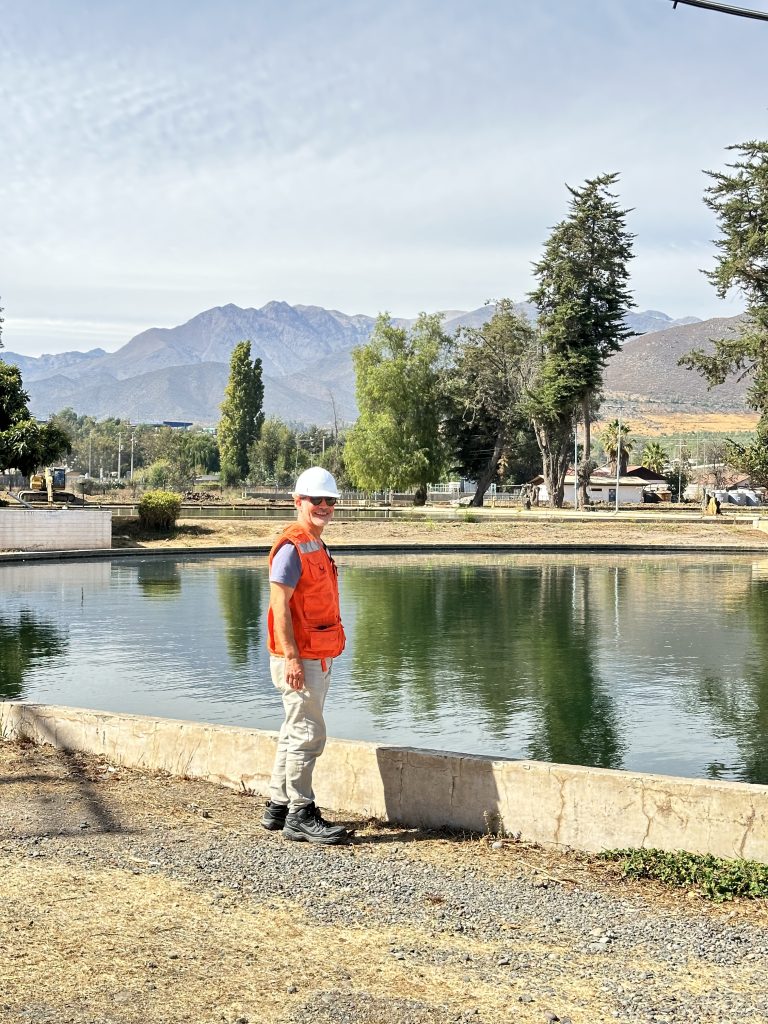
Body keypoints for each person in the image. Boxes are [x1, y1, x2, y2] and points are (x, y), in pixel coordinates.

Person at [260, 466, 350, 844]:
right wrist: (293, 658)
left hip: (316, 654)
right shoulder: (291, 547)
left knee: (293, 730)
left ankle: (278, 807)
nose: (324, 506)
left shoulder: (315, 543)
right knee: (308, 734)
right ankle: (301, 811)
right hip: (300, 659)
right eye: (317, 500)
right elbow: (279, 607)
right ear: (298, 502)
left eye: (330, 500)